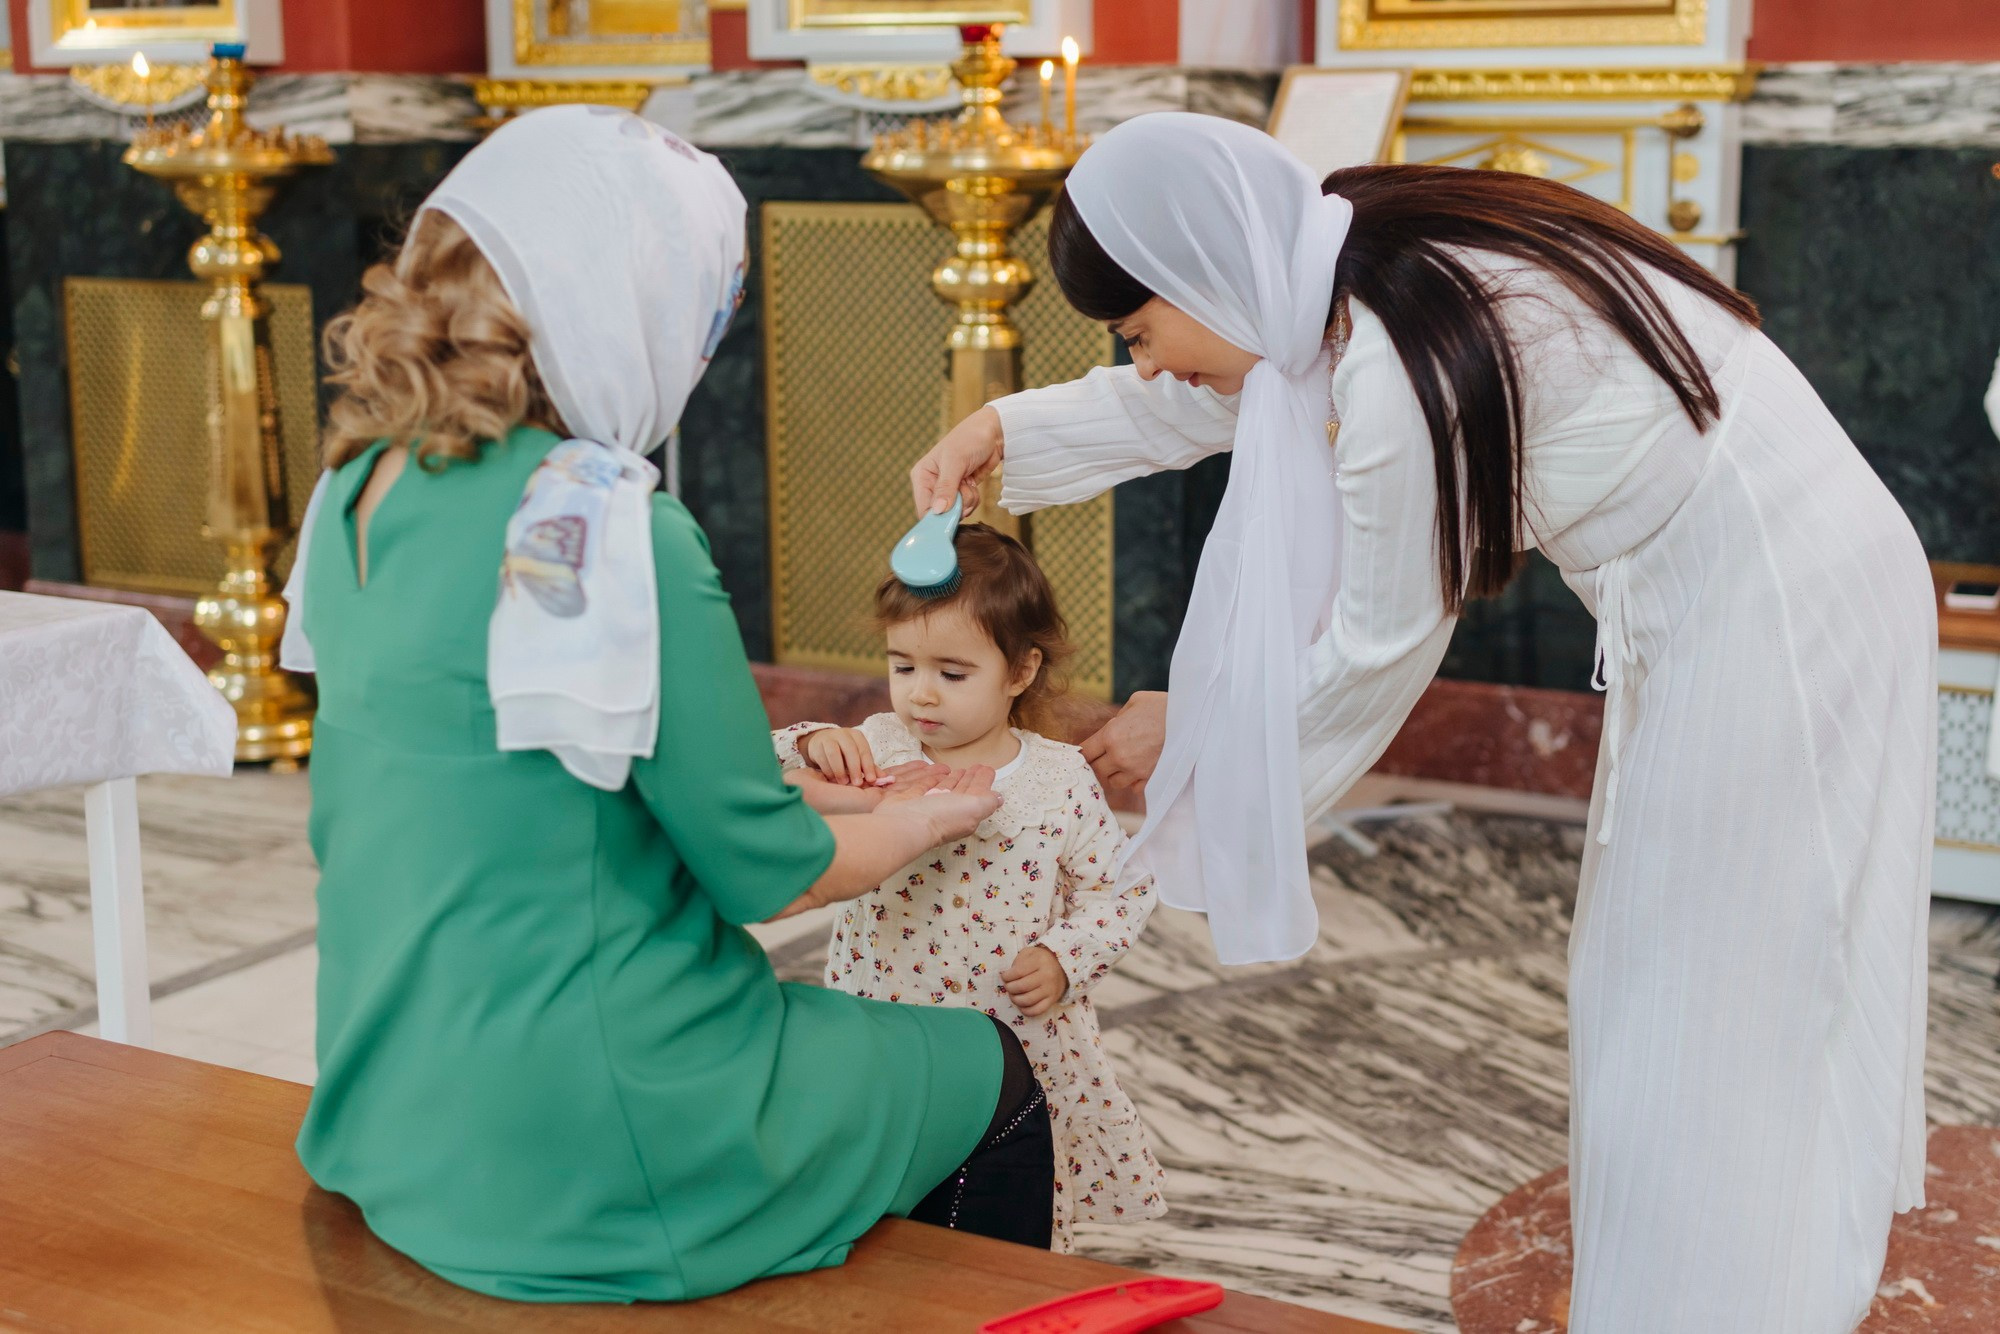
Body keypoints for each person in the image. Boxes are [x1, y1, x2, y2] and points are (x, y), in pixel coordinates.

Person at [911, 112, 1936, 1333]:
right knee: (1659, 979)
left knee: (1716, 983)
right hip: (1728, 598)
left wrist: (1191, 732)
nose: (1141, 363)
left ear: (1203, 274)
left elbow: (1374, 643)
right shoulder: (1331, 265)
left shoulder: (1388, 355)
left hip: (1777, 603)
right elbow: (1204, 397)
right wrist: (1002, 431)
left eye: (1138, 330)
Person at [277, 105, 1053, 1303]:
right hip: (592, 1135)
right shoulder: (615, 528)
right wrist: (921, 817)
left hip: (390, 1101)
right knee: (992, 1070)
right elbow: (768, 875)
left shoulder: (354, 487)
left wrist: (779, 780)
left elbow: (499, 771)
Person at [773, 524, 1167, 1252]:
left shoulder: (1058, 779)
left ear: (1019, 671)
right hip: (882, 1015)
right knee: (882, 1201)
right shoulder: (878, 749)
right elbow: (759, 783)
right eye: (902, 665)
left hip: (1011, 1033)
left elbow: (1125, 886)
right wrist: (808, 742)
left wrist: (1065, 956)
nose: (921, 694)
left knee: (997, 1214)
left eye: (952, 674)